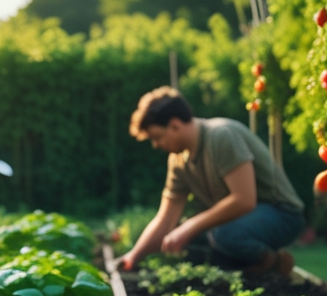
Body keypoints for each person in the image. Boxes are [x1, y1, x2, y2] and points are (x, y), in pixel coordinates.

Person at [119, 87, 305, 277]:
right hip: (241, 221)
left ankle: (274, 263)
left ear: (174, 125)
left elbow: (244, 200)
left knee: (222, 235)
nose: (156, 145)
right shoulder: (178, 160)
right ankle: (250, 272)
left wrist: (190, 226)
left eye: (157, 137)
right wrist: (133, 257)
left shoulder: (221, 136)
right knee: (188, 238)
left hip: (282, 214)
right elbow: (165, 219)